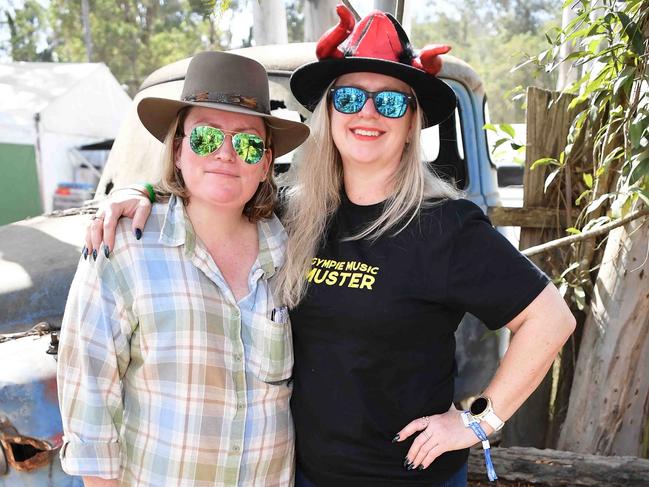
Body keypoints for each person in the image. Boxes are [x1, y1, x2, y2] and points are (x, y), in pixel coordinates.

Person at [85, 7, 576, 487]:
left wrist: (478, 421)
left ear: (411, 125)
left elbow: (551, 319)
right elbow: (216, 184)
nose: (367, 112)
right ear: (328, 112)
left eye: (390, 102)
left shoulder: (445, 226)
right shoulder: (292, 214)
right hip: (301, 474)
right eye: (349, 98)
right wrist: (144, 191)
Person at [57, 51, 309, 487]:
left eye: (248, 143)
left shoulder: (292, 249)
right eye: (207, 138)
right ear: (178, 150)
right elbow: (90, 396)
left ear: (266, 163)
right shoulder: (125, 246)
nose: (227, 155)